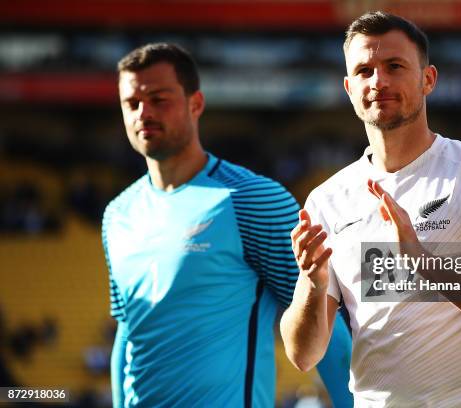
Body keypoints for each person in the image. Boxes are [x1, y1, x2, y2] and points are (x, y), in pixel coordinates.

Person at [280, 11, 461, 407]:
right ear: (348, 87)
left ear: (428, 79)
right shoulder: (327, 199)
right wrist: (313, 284)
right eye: (364, 70)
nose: (379, 81)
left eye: (394, 66)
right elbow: (303, 355)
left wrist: (424, 262)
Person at [102, 43, 352, 407]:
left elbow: (325, 323)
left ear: (196, 104)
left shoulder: (253, 199)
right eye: (132, 103)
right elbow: (128, 332)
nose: (144, 113)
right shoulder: (117, 214)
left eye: (159, 99)